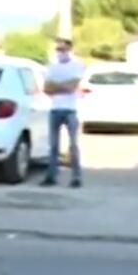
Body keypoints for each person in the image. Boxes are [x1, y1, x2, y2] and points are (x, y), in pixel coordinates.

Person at [42, 38, 85, 188]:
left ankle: (76, 177)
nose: (60, 53)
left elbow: (73, 86)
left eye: (63, 50)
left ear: (70, 50)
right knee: (53, 146)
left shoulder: (76, 66)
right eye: (58, 50)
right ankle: (51, 176)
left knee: (73, 145)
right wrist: (63, 87)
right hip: (55, 110)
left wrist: (57, 87)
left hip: (71, 110)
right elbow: (46, 89)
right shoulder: (52, 67)